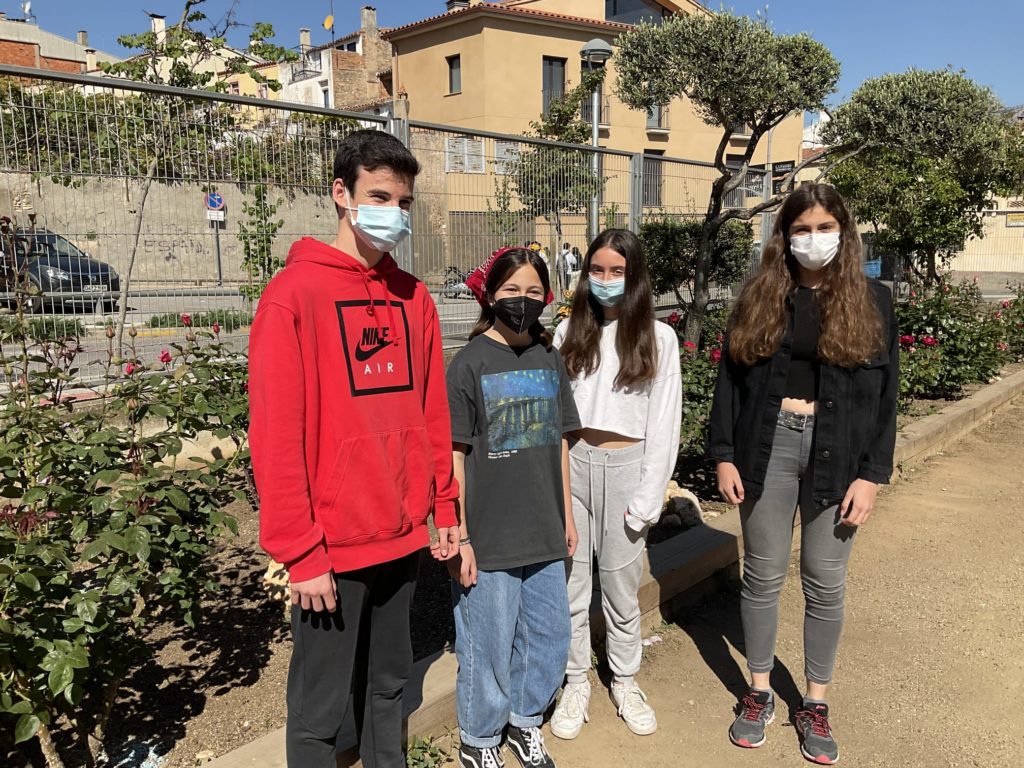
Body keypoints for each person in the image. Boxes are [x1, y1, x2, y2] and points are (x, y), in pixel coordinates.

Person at [248, 129, 462, 768]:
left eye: (404, 202)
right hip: (329, 549)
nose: (394, 213)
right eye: (379, 197)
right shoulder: (292, 295)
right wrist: (300, 551)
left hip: (401, 536)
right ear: (341, 194)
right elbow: (275, 436)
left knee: (387, 687)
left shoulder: (414, 297)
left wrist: (443, 507)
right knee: (320, 711)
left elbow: (431, 413)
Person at [707, 183, 898, 765]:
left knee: (825, 580)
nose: (813, 239)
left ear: (843, 231)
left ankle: (814, 701)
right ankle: (759, 690)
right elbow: (730, 380)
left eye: (824, 228)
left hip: (838, 452)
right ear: (784, 237)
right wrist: (724, 454)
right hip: (766, 446)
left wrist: (871, 475)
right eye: (801, 230)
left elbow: (886, 395)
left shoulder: (873, 299)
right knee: (762, 576)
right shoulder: (760, 295)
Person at [445, 246, 580, 768]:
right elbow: (455, 455)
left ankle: (525, 722)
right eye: (511, 291)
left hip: (544, 528)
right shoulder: (469, 363)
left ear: (546, 297)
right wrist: (461, 533)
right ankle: (479, 739)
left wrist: (567, 515)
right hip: (490, 536)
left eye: (532, 292)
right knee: (487, 643)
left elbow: (560, 443)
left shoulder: (549, 358)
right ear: (490, 295)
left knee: (550, 635)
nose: (522, 301)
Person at [549, 229, 681, 740]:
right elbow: (555, 414)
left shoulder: (658, 338)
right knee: (572, 584)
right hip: (575, 464)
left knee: (622, 587)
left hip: (628, 467)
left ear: (634, 276)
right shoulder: (569, 332)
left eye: (617, 272)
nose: (606, 280)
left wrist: (648, 497)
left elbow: (664, 424)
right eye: (597, 270)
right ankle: (575, 679)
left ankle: (624, 679)